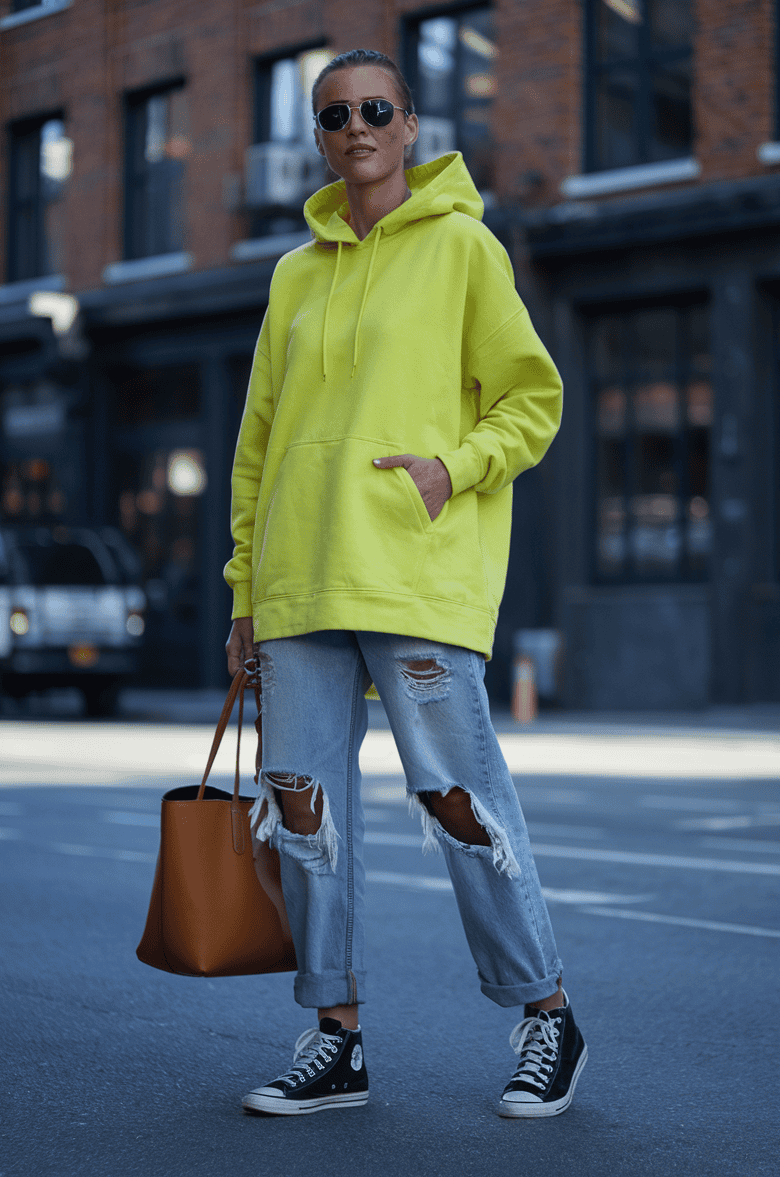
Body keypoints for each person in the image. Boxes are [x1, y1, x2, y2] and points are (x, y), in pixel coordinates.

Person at [224, 48, 586, 1119]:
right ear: (322, 136)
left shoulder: (466, 249)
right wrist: (246, 592)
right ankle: (336, 1035)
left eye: (376, 108)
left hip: (415, 577)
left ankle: (547, 1013)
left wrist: (452, 469)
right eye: (336, 115)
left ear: (412, 125)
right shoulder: (293, 272)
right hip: (297, 586)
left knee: (459, 801)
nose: (357, 127)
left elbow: (533, 398)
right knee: (305, 818)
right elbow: (257, 443)